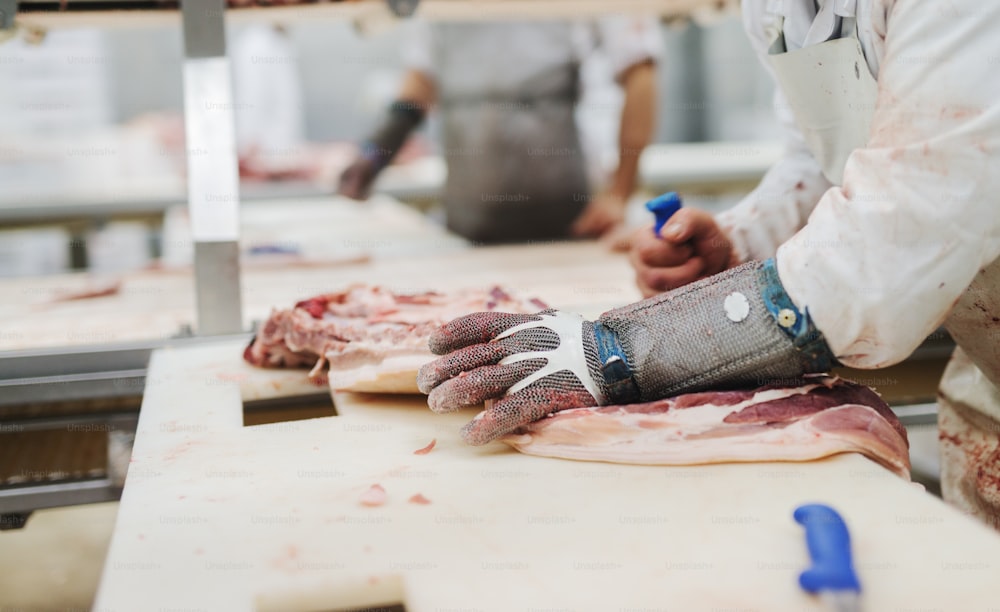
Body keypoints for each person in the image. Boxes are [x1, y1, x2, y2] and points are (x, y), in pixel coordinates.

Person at [416, 0, 1000, 531]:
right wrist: (737, 242)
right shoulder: (774, 6)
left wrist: (624, 349)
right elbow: (823, 156)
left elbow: (901, 234)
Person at [337, 17, 661, 243]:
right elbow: (423, 78)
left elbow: (639, 71)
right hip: (467, 215)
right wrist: (376, 152)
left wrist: (620, 193)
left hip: (565, 213)